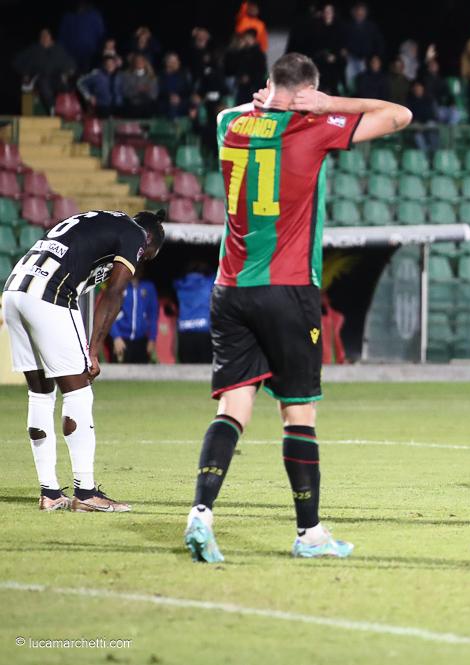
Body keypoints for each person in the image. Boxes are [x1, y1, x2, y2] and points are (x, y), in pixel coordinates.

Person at [183, 52, 412, 562]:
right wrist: (329, 103)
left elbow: (246, 108)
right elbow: (400, 114)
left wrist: (268, 99)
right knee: (298, 413)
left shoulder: (229, 122)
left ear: (268, 85)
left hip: (231, 287)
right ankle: (309, 534)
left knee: (233, 407)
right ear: (309, 90)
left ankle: (201, 513)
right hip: (288, 290)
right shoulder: (314, 128)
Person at [3, 209, 165, 512]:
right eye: (145, 256)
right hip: (49, 295)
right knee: (78, 393)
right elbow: (114, 293)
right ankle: (86, 492)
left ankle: (50, 493)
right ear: (149, 239)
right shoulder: (135, 234)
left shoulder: (104, 221)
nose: (139, 260)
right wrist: (93, 348)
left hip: (14, 291)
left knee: (40, 394)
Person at [14, 29, 76, 113]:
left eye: (46, 35)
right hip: (40, 79)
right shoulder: (34, 49)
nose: (44, 38)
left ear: (51, 38)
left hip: (56, 78)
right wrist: (26, 74)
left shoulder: (58, 50)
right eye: (42, 36)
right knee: (44, 82)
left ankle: (68, 109)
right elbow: (20, 62)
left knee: (66, 86)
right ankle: (52, 108)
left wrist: (67, 74)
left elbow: (70, 66)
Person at [110, 271, 158, 363]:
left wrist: (152, 338)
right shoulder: (119, 286)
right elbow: (110, 313)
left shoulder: (148, 287)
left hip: (141, 340)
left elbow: (153, 315)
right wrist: (116, 336)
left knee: (142, 374)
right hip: (121, 339)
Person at [174, 263, 214, 364]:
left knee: (186, 370)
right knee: (205, 370)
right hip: (203, 332)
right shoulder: (208, 282)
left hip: (184, 332)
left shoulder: (180, 285)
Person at [343, 2, 384, 86]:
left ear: (366, 13)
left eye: (362, 12)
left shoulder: (371, 27)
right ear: (354, 13)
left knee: (364, 82)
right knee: (350, 80)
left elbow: (378, 42)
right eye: (358, 12)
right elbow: (343, 42)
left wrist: (377, 56)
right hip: (351, 58)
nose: (360, 14)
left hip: (367, 59)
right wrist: (344, 50)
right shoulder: (347, 26)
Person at [57, 1, 105, 71]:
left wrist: (99, 52)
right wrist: (62, 54)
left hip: (90, 55)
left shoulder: (94, 15)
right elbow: (62, 37)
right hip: (71, 55)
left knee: (86, 75)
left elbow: (101, 35)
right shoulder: (68, 16)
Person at [225, 31, 268, 107]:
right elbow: (232, 67)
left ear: (253, 39)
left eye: (248, 38)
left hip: (253, 86)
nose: (247, 40)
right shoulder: (242, 52)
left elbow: (261, 70)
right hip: (241, 85)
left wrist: (250, 78)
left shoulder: (258, 53)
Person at [118, 54, 158, 118]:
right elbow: (125, 92)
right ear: (133, 63)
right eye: (137, 61)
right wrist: (137, 90)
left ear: (145, 62)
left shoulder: (151, 77)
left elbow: (154, 95)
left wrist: (146, 91)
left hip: (147, 106)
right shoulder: (127, 75)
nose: (139, 62)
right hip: (132, 106)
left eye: (141, 61)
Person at [407, 80, 439, 154]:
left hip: (427, 123)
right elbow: (411, 116)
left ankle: (435, 154)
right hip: (417, 126)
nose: (417, 90)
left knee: (432, 129)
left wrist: (424, 123)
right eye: (416, 88)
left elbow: (432, 115)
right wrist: (417, 122)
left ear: (423, 89)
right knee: (417, 136)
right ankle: (425, 156)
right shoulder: (410, 100)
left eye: (419, 88)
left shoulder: (429, 99)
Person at [159, 52, 192, 119]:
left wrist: (179, 97)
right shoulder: (161, 76)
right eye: (172, 61)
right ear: (167, 63)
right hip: (166, 101)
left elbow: (188, 90)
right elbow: (159, 91)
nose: (176, 63)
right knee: (171, 107)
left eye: (176, 61)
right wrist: (169, 97)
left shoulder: (183, 74)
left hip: (181, 100)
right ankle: (174, 126)